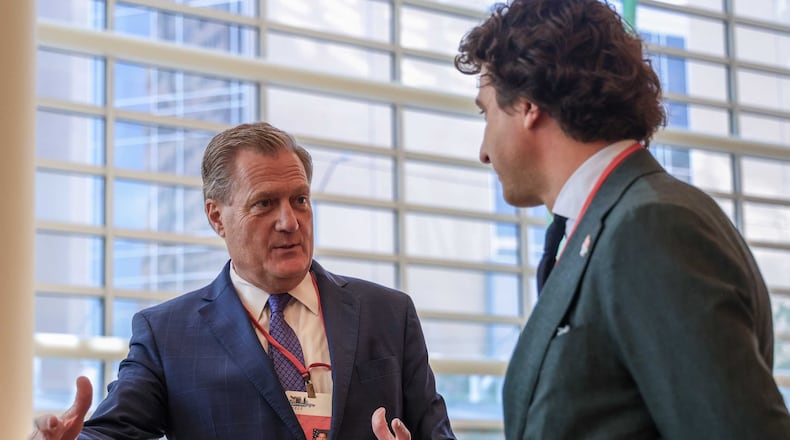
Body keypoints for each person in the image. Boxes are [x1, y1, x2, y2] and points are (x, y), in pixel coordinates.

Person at [373, 0, 790, 439]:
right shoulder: (604, 225)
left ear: (528, 104)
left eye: (486, 112)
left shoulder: (649, 228)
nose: (483, 150)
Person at [31, 122, 455, 440]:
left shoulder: (388, 313)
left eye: (300, 200)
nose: (289, 222)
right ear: (217, 217)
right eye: (265, 204)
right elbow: (108, 434)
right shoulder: (167, 335)